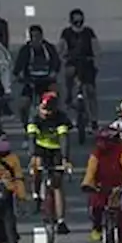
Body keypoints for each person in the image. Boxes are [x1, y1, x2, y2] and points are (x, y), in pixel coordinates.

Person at [26, 92, 72, 231]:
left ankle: (61, 220)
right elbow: (31, 139)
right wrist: (33, 156)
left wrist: (65, 159)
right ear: (39, 106)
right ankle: (36, 195)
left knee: (57, 185)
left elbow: (64, 140)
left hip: (56, 150)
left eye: (49, 110)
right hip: (40, 148)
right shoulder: (34, 117)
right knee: (37, 167)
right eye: (44, 109)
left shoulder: (61, 118)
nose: (46, 113)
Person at [13, 24, 62, 130]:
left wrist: (53, 73)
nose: (35, 39)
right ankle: (27, 127)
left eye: (37, 36)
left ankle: (57, 123)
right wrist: (18, 76)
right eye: (33, 37)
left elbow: (56, 63)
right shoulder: (25, 50)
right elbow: (18, 67)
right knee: (23, 105)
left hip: (46, 81)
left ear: (41, 36)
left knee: (55, 97)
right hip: (31, 82)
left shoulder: (49, 48)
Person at [59, 8, 101, 130]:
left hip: (87, 63)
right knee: (69, 72)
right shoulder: (66, 33)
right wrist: (62, 57)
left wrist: (96, 59)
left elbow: (96, 47)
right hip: (73, 62)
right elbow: (60, 47)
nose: (78, 23)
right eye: (75, 21)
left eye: (80, 20)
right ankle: (69, 94)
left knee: (90, 91)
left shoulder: (88, 32)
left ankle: (94, 119)